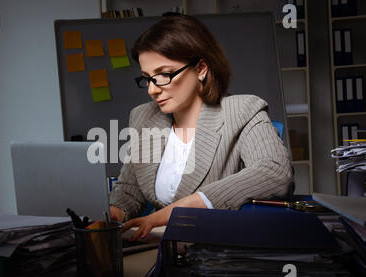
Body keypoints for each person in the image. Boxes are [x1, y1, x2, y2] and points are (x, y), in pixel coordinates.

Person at [109, 15, 293, 241]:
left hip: (220, 245)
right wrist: (110, 217)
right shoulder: (143, 117)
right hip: (160, 245)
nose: (152, 90)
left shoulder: (242, 110)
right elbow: (129, 190)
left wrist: (175, 211)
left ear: (201, 69)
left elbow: (275, 172)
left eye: (164, 75)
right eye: (147, 78)